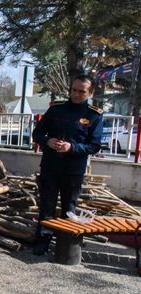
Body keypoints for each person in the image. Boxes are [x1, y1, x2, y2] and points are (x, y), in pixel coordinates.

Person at [31, 74, 104, 255]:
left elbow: (94, 146)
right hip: (50, 165)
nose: (77, 94)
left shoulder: (94, 115)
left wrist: (72, 147)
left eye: (82, 91)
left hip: (73, 170)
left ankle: (64, 245)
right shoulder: (56, 109)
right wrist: (47, 142)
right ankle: (43, 241)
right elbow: (37, 133)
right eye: (74, 90)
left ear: (90, 92)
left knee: (69, 209)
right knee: (46, 206)